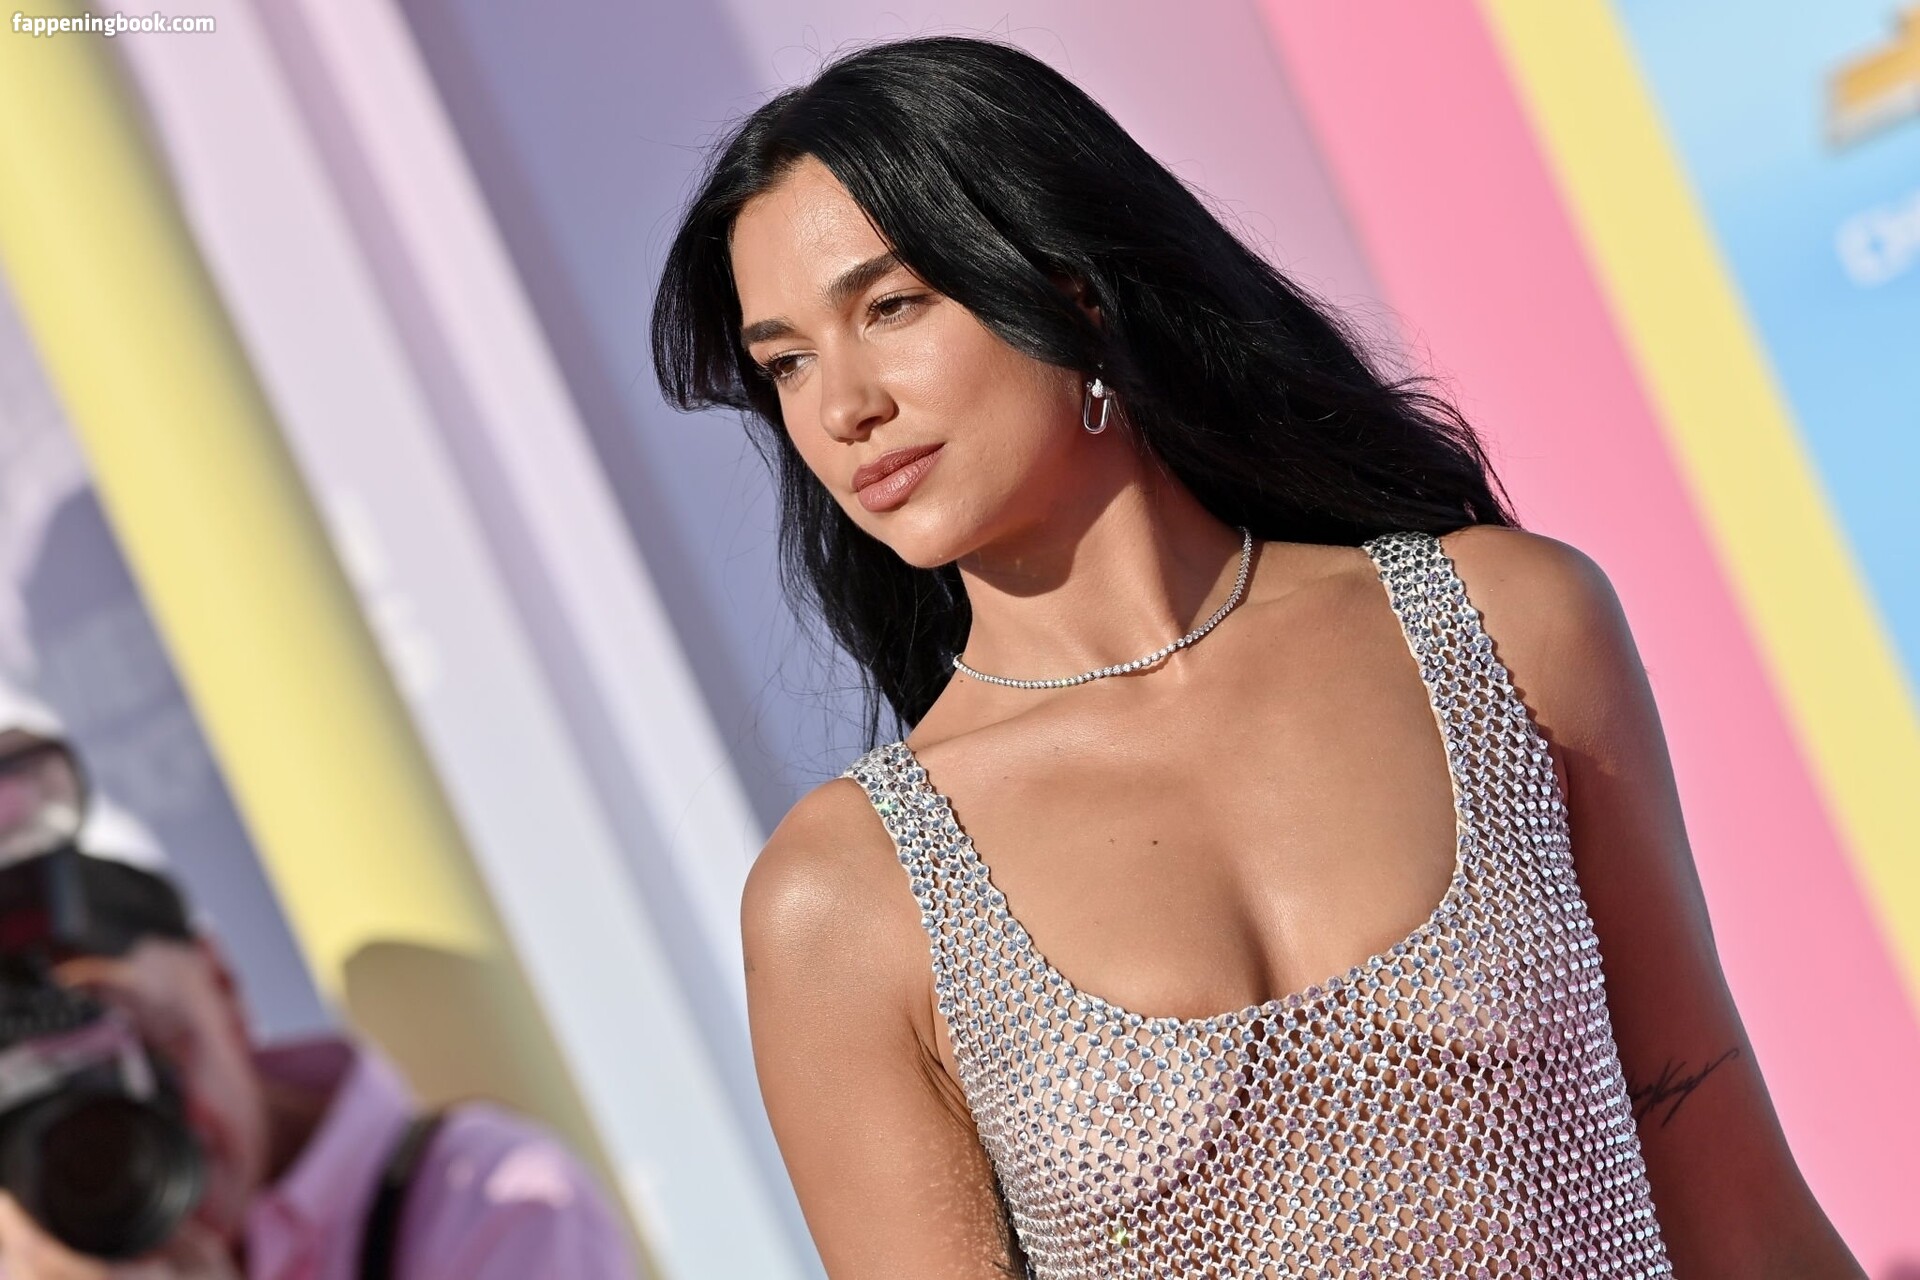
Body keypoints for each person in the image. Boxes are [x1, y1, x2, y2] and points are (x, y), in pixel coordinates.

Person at [649, 33, 1863, 1280]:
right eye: (787, 362)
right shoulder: (848, 893)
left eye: (891, 306)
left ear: (1074, 287)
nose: (843, 407)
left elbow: (1746, 1215)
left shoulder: (1505, 627)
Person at [0, 692, 641, 1280]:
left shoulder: (497, 1204)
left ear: (221, 984)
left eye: (152, 1052)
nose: (135, 1132)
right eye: (59, 1097)